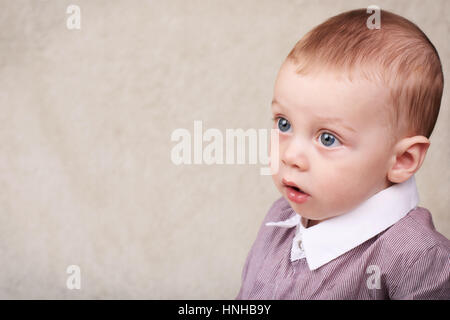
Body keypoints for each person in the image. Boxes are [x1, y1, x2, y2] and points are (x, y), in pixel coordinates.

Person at [236, 8, 449, 299]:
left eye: (327, 138)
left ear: (402, 160)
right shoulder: (280, 217)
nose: (290, 156)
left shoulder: (417, 260)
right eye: (284, 123)